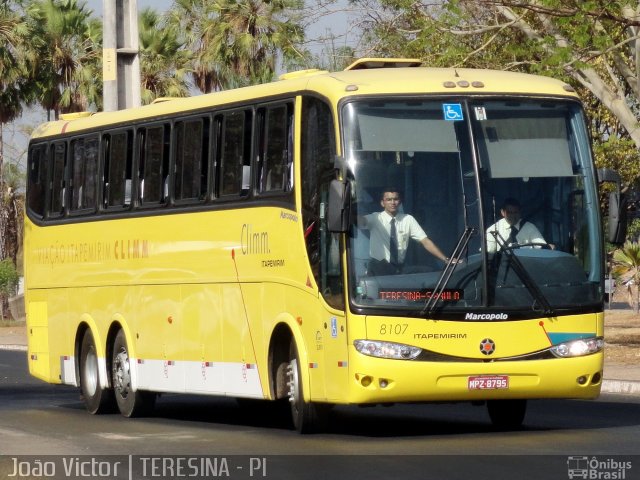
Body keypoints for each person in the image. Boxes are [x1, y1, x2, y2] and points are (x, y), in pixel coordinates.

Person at [359, 188, 451, 275]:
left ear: (400, 202)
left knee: (428, 272)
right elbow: (360, 221)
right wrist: (355, 205)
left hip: (399, 269)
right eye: (389, 199)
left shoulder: (408, 219)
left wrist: (446, 259)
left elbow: (425, 242)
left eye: (395, 199)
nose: (392, 202)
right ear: (382, 203)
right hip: (379, 269)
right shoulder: (375, 218)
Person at [486, 197, 551, 253]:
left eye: (515, 212)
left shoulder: (529, 227)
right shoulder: (493, 230)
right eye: (509, 213)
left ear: (520, 212)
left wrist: (548, 247)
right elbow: (488, 253)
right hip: (502, 267)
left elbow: (542, 249)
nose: (513, 216)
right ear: (502, 212)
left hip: (524, 266)